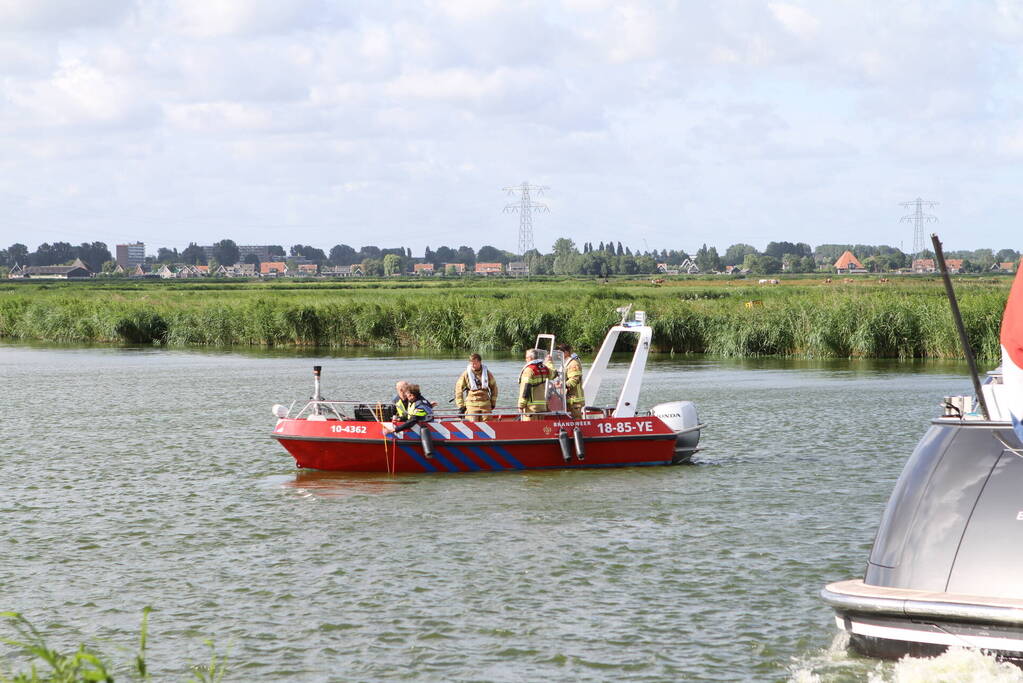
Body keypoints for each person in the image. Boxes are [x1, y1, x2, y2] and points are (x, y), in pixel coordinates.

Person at [455, 353, 498, 421]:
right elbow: (458, 389)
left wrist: (493, 402)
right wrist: (461, 406)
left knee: (487, 422)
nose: (473, 365)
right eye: (472, 364)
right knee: (473, 423)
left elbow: (494, 388)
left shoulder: (487, 373)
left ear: (480, 362)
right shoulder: (466, 374)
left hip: (485, 404)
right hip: (471, 404)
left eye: (475, 363)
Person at [517, 349, 551, 421]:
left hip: (531, 408)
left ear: (530, 358)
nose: (525, 359)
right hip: (542, 407)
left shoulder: (529, 370)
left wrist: (521, 405)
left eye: (526, 357)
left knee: (529, 429)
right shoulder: (544, 368)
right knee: (540, 429)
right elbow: (553, 374)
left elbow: (525, 389)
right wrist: (549, 362)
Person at [557, 343, 585, 419]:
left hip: (575, 399)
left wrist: (563, 385)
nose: (558, 355)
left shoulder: (573, 364)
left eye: (559, 353)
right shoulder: (565, 363)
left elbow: (574, 379)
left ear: (566, 352)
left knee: (576, 420)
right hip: (567, 399)